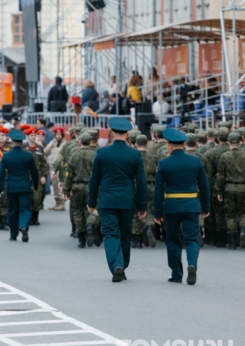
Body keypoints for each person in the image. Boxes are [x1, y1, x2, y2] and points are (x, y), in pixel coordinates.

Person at [88, 117, 147, 283]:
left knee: (111, 234)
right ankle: (123, 266)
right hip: (127, 200)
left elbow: (95, 179)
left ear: (111, 133)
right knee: (125, 234)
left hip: (107, 200)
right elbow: (141, 182)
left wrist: (91, 202)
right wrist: (142, 205)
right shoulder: (135, 154)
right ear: (128, 134)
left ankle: (116, 265)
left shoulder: (102, 152)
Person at [154, 128, 210, 285]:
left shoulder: (163, 163)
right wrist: (206, 207)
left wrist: (157, 212)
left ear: (170, 146)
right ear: (184, 144)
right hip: (192, 205)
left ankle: (176, 274)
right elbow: (204, 186)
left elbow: (158, 190)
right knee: (192, 239)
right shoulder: (195, 161)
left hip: (171, 206)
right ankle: (192, 264)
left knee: (173, 240)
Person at [0, 129, 39, 243]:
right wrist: (35, 185)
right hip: (24, 185)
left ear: (11, 141)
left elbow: (1, 174)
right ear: (22, 142)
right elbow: (34, 172)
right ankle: (24, 226)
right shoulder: (28, 155)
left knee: (12, 210)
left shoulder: (6, 156)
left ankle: (13, 234)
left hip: (11, 186)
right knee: (25, 208)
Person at [62, 133, 97, 248]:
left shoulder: (74, 155)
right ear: (91, 142)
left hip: (76, 187)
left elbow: (69, 174)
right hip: (91, 187)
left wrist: (66, 190)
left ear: (80, 142)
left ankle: (81, 238)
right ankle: (90, 225)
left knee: (77, 211)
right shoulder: (94, 155)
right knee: (92, 209)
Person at [215, 132, 245, 250]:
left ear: (228, 141)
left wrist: (218, 191)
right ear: (240, 140)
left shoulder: (224, 156)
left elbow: (220, 176)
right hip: (243, 187)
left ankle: (232, 242)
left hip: (229, 188)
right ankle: (243, 230)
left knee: (230, 215)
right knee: (243, 213)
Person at [44, 127, 67, 211]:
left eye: (60, 134)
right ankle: (57, 203)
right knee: (54, 185)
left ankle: (62, 203)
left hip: (61, 167)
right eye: (56, 134)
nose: (58, 136)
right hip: (52, 167)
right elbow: (45, 152)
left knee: (60, 185)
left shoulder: (65, 144)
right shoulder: (53, 143)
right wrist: (50, 145)